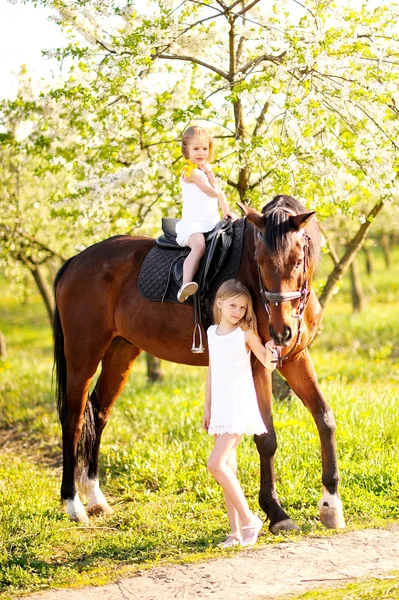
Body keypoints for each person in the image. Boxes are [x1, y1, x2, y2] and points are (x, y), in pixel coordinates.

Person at [202, 279, 277, 548]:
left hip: (238, 405)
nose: (238, 312)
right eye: (233, 305)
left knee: (216, 464)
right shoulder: (212, 333)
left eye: (243, 307)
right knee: (228, 468)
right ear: (219, 303)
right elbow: (212, 371)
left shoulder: (245, 334)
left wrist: (271, 352)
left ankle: (249, 520)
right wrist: (207, 407)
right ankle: (235, 533)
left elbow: (266, 363)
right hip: (221, 407)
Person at [176, 125, 236, 303]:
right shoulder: (192, 173)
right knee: (199, 247)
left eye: (204, 148)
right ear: (186, 151)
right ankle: (185, 285)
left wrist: (226, 210)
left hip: (210, 222)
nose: (201, 153)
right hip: (194, 224)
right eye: (195, 149)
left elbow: (221, 195)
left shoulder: (204, 172)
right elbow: (214, 192)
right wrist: (210, 174)